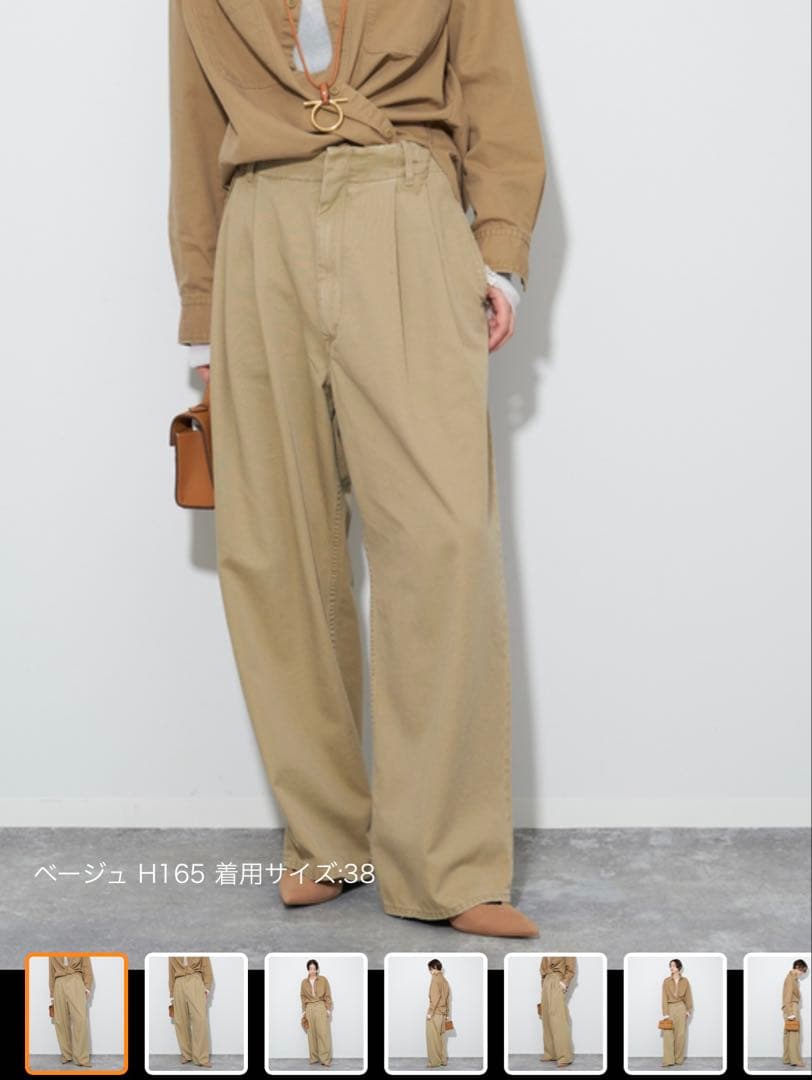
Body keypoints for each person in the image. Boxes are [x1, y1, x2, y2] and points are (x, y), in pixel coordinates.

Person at [168, 0, 546, 938]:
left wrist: (499, 253)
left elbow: (495, 88)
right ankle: (327, 841)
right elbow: (195, 122)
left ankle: (450, 864)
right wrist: (203, 308)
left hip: (406, 205)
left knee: (444, 538)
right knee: (276, 550)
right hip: (261, 220)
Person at [168, 955, 213, 1068]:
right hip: (178, 983)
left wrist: (206, 988)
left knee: (200, 1020)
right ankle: (186, 1055)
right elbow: (171, 972)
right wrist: (172, 994)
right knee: (180, 1021)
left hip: (195, 980)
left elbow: (206, 966)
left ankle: (201, 1058)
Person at [48, 954, 93, 1067]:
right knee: (60, 1021)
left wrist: (87, 988)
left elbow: (87, 967)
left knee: (81, 1020)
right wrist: (52, 995)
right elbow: (51, 972)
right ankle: (66, 1055)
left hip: (76, 980)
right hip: (58, 983)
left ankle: (81, 1058)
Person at [539, 956, 575, 1067]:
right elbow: (542, 971)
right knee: (547, 1019)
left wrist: (564, 983)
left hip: (557, 981)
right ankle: (551, 1054)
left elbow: (571, 969)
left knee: (558, 1020)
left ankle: (565, 1056)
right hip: (546, 982)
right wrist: (543, 985)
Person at [300, 959, 334, 1066]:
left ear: (317, 969)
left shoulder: (323, 980)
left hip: (320, 1006)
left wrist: (328, 1009)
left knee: (323, 1033)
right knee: (311, 1034)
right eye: (310, 969)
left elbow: (327, 995)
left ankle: (325, 1059)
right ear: (308, 970)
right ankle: (314, 1058)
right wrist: (304, 1011)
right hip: (309, 1007)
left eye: (314, 969)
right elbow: (303, 997)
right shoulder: (304, 982)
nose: (312, 971)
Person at [661, 959, 693, 1068]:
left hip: (681, 1008)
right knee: (668, 1035)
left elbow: (688, 996)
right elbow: (664, 998)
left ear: (679, 967)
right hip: (670, 1008)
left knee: (680, 1035)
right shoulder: (666, 981)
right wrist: (665, 1013)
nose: (671, 968)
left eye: (674, 966)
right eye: (670, 966)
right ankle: (668, 1060)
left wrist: (688, 1010)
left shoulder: (685, 981)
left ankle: (678, 1059)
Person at [782, 958, 808, 1068]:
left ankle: (787, 1058)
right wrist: (790, 1013)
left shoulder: (793, 979)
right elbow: (787, 996)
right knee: (794, 1035)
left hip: (791, 1007)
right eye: (803, 970)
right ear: (797, 967)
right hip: (792, 1008)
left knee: (789, 1034)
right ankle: (795, 1060)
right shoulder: (790, 979)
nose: (803, 974)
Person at [425, 959, 451, 1068]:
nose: (430, 972)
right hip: (443, 1014)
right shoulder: (445, 981)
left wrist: (430, 1012)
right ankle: (443, 1060)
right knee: (442, 1039)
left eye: (430, 969)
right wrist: (447, 1014)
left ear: (435, 968)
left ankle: (434, 1062)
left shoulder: (435, 979)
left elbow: (435, 997)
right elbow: (448, 999)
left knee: (433, 1039)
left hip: (435, 1013)